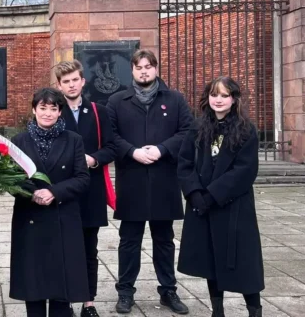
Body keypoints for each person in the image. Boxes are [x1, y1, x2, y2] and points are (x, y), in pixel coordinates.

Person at [105, 50, 191, 315]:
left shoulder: (175, 99)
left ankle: (168, 291)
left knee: (164, 240)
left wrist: (162, 149)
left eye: (148, 67)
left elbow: (187, 131)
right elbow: (111, 136)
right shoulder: (117, 101)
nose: (144, 71)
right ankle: (126, 293)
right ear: (132, 70)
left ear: (156, 69)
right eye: (139, 67)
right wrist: (132, 151)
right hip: (132, 181)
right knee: (129, 240)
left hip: (164, 180)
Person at [176, 77, 264, 317]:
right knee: (210, 261)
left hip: (233, 206)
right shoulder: (198, 127)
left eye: (224, 95)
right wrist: (194, 194)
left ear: (233, 99)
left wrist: (213, 195)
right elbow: (184, 163)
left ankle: (254, 310)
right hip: (202, 206)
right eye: (214, 95)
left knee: (245, 263)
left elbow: (245, 170)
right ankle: (217, 310)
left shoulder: (247, 130)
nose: (218, 100)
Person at [9, 87, 91, 317]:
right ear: (34, 110)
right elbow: (11, 179)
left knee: (61, 287)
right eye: (42, 108)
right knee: (33, 285)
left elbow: (83, 178)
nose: (47, 113)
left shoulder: (73, 140)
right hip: (30, 219)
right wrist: (32, 193)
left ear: (59, 112)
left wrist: (54, 192)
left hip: (63, 217)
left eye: (53, 109)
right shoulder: (19, 141)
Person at [53, 61, 118, 317]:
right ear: (59, 85)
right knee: (64, 249)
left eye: (74, 80)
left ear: (83, 81)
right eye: (65, 81)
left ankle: (88, 302)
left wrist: (94, 159)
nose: (71, 85)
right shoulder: (52, 110)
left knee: (90, 250)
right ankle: (65, 299)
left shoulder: (98, 111)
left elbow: (112, 147)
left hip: (91, 191)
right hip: (63, 191)